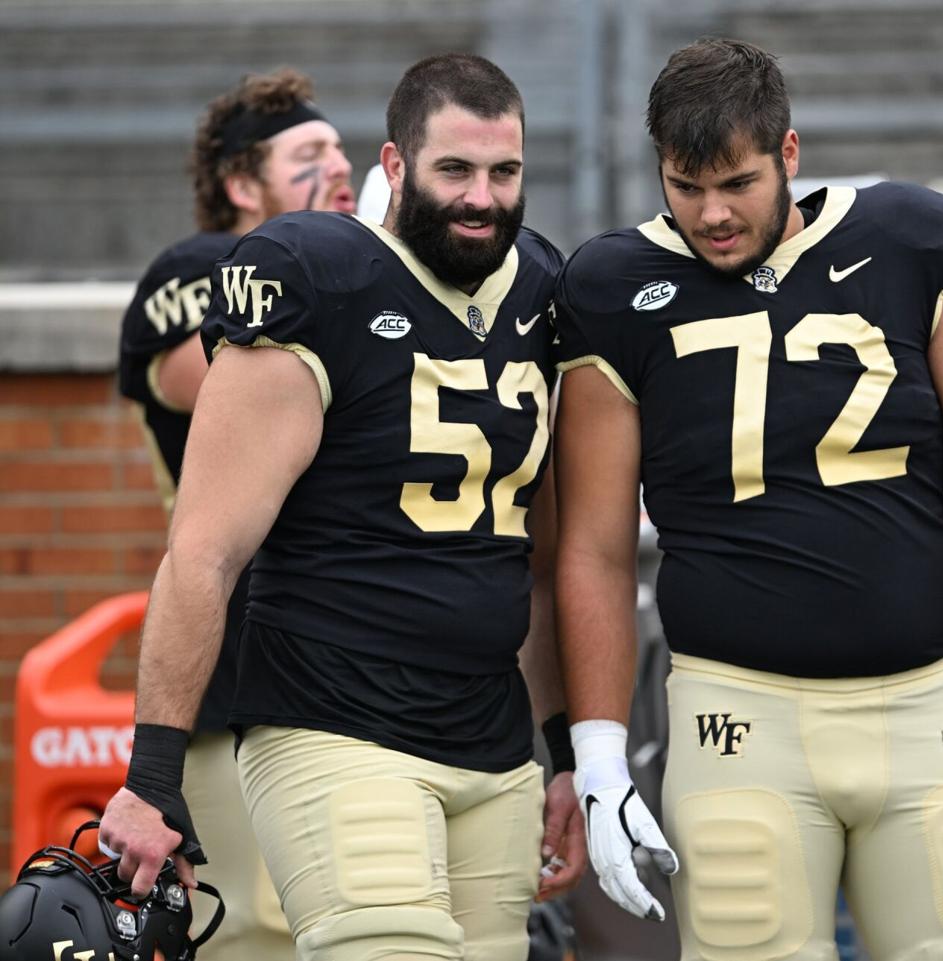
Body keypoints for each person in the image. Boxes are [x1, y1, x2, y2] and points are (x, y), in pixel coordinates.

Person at [552, 38, 943, 961]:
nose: (713, 215)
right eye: (686, 188)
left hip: (924, 706)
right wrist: (597, 755)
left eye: (738, 182)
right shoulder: (614, 284)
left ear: (790, 154)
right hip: (738, 717)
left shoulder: (906, 239)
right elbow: (596, 545)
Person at [101, 52, 584, 961]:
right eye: (454, 170)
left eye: (504, 172)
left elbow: (542, 562)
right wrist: (153, 775)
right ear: (394, 168)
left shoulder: (538, 286)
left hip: (492, 742)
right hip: (337, 725)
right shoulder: (312, 274)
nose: (481, 197)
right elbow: (203, 551)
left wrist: (567, 753)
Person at [115, 66, 355, 959]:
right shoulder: (199, 272)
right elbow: (218, 382)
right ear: (239, 184)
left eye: (338, 147)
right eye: (307, 155)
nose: (337, 166)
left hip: (336, 652)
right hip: (230, 644)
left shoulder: (356, 272)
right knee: (246, 925)